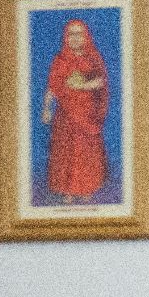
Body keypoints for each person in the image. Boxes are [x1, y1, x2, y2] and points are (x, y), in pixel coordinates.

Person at [42, 17, 109, 203]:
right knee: (66, 151)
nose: (75, 38)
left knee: (86, 151)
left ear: (86, 36)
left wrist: (82, 86)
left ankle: (86, 187)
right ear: (66, 37)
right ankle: (68, 190)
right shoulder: (60, 60)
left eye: (79, 34)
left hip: (88, 113)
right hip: (65, 115)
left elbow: (100, 82)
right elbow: (52, 87)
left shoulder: (93, 58)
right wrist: (47, 108)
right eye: (71, 34)